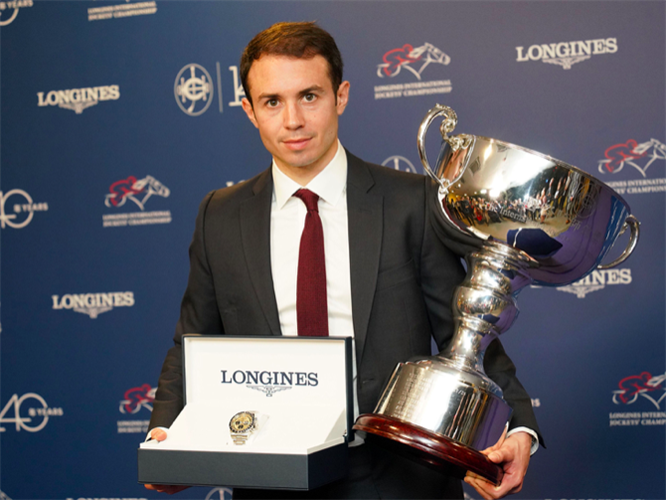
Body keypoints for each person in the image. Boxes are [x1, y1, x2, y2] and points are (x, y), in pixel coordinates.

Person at [145, 21, 542, 500]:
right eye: (272, 102)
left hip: (397, 478)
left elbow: (469, 329)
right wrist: (164, 436)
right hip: (273, 479)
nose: (292, 120)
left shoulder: (410, 201)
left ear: (341, 96)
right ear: (250, 111)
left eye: (309, 96)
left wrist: (519, 428)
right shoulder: (219, 216)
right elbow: (193, 341)